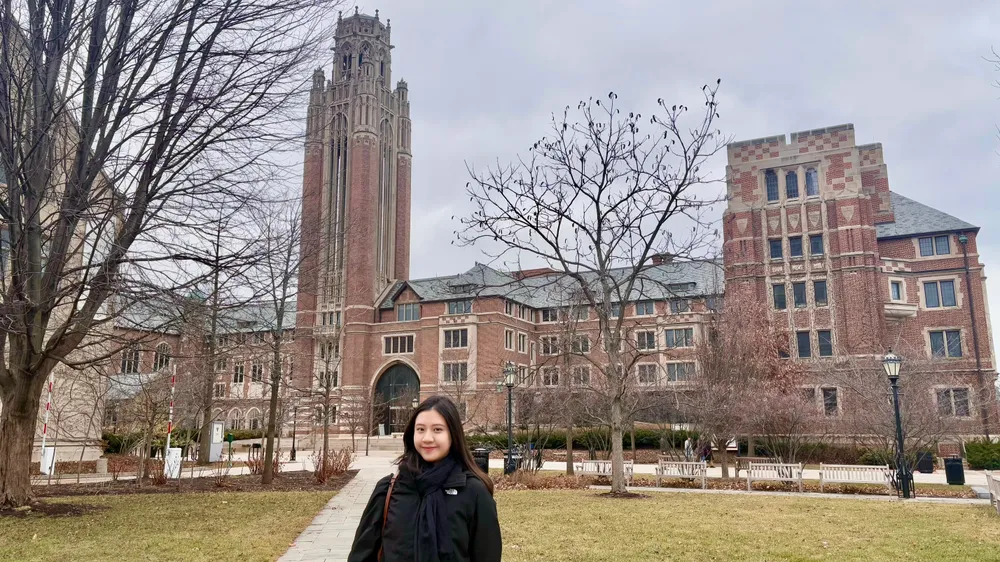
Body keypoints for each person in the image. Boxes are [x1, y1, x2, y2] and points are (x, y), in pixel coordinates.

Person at [348, 395, 502, 562]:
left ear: (453, 434)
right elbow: (362, 554)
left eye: (437, 429)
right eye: (420, 429)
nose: (427, 438)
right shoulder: (388, 490)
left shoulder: (473, 492)